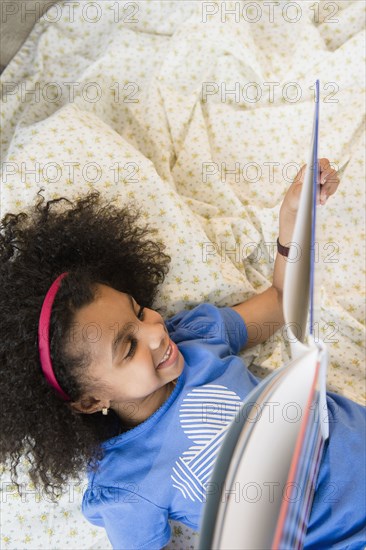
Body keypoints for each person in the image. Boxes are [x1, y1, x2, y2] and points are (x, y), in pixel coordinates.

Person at [0, 159, 364, 549]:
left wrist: (292, 216)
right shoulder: (126, 483)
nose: (156, 332)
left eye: (138, 311)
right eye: (128, 347)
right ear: (90, 400)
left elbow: (280, 301)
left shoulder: (197, 337)